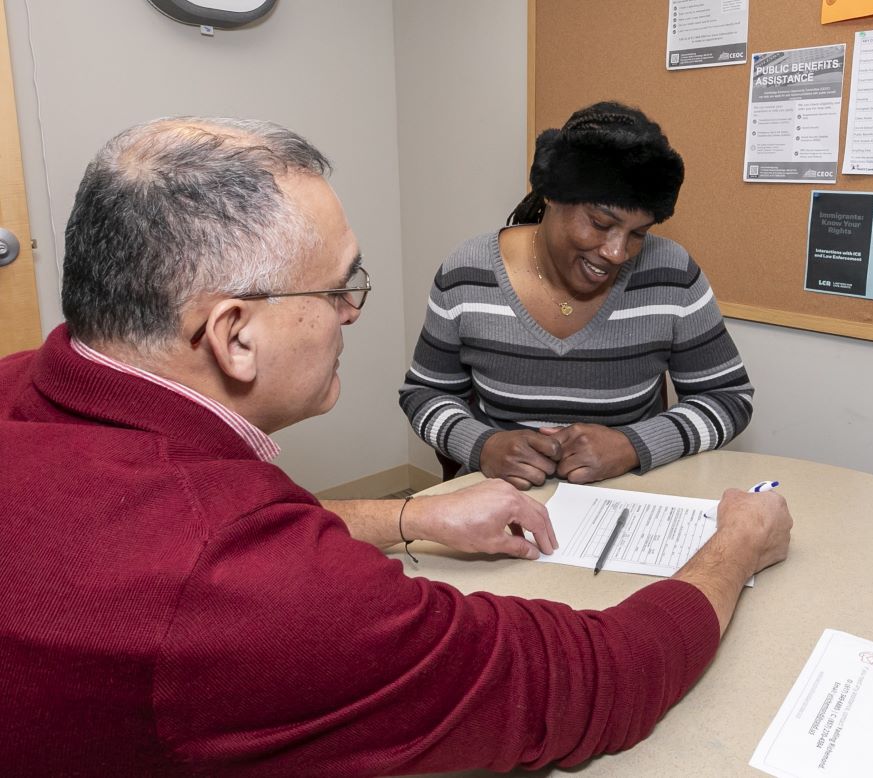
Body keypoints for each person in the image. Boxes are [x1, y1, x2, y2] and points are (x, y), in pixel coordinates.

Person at [0, 116, 792, 776]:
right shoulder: (261, 585)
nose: (353, 311)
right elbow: (594, 680)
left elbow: (207, 534)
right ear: (234, 335)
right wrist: (735, 547)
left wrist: (411, 516)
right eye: (340, 287)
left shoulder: (21, 387)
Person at [400, 101, 754, 490]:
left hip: (628, 505)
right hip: (497, 504)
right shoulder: (467, 272)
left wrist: (632, 445)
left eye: (638, 233)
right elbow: (424, 394)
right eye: (600, 223)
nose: (617, 253)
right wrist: (482, 445)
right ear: (551, 195)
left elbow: (729, 398)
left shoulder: (672, 275)